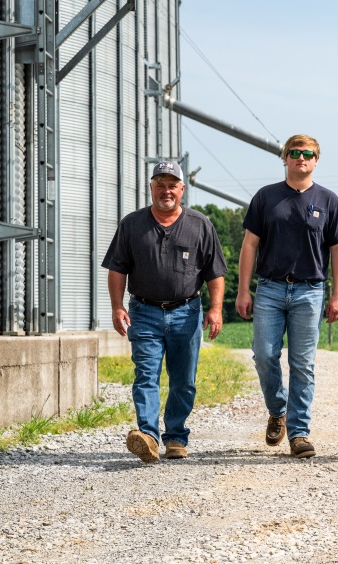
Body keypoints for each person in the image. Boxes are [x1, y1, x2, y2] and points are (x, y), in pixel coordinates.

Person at [235, 134, 338, 459]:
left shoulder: (328, 201)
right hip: (270, 289)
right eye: (295, 153)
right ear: (285, 158)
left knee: (303, 364)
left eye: (308, 153)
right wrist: (244, 290)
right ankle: (277, 410)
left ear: (316, 160)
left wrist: (337, 295)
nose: (301, 158)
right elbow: (249, 246)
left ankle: (299, 433)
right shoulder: (266, 197)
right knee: (264, 354)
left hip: (310, 291)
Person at [103, 160, 227, 462]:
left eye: (172, 185)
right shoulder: (132, 224)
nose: (166, 190)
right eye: (160, 184)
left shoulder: (200, 224)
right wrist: (117, 307)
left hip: (187, 312)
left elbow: (215, 273)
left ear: (182, 189)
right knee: (146, 374)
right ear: (151, 188)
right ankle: (147, 435)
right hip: (143, 312)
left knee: (184, 379)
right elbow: (117, 269)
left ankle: (175, 437)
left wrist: (215, 309)